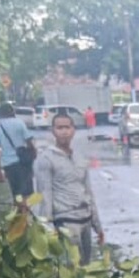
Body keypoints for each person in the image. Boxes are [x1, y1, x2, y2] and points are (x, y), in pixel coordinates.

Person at [34, 113, 104, 266]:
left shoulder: (79, 158)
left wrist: (97, 226)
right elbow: (45, 195)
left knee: (86, 267)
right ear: (53, 131)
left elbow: (88, 192)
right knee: (71, 267)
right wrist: (46, 228)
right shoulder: (46, 159)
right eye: (59, 128)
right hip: (66, 222)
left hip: (85, 219)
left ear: (73, 130)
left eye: (67, 127)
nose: (64, 132)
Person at [0, 102, 36, 203]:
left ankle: (20, 210)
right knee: (26, 194)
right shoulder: (19, 123)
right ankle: (24, 210)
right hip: (23, 163)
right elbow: (29, 142)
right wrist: (33, 157)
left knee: (16, 194)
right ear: (12, 112)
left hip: (9, 165)